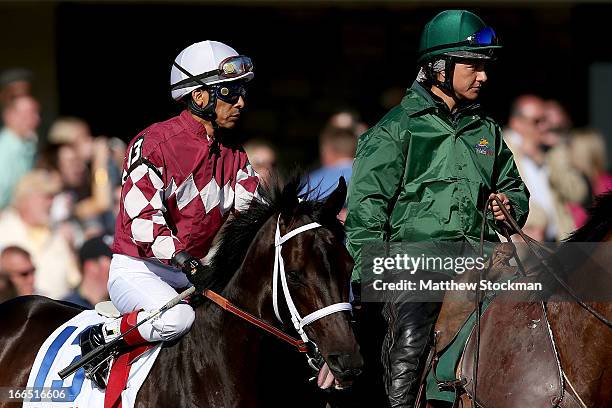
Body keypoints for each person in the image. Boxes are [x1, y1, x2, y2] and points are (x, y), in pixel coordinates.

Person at [344, 10, 529, 407]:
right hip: (413, 264)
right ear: (439, 68)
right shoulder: (395, 129)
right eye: (473, 66)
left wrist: (508, 204)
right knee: (410, 343)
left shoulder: (487, 129)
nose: (483, 76)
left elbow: (514, 188)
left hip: (482, 257)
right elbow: (365, 214)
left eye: (485, 67)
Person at [79, 40, 259, 389]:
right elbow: (143, 220)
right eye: (229, 91)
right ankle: (106, 333)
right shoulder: (154, 143)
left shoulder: (236, 156)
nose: (240, 102)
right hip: (139, 270)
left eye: (242, 92)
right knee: (178, 318)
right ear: (199, 97)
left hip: (192, 274)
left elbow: (252, 214)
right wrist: (184, 260)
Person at [0, 170, 80, 299]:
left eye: (53, 198)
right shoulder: (3, 230)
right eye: (46, 197)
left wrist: (72, 250)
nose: (50, 203)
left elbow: (74, 280)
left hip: (57, 312)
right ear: (26, 199)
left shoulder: (60, 234)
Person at [0, 95, 40, 209]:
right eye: (29, 114)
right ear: (9, 116)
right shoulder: (3, 150)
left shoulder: (29, 145)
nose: (36, 119)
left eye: (37, 113)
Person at [63, 235, 113, 309]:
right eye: (113, 259)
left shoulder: (122, 308)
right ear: (92, 266)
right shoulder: (65, 309)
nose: (120, 265)